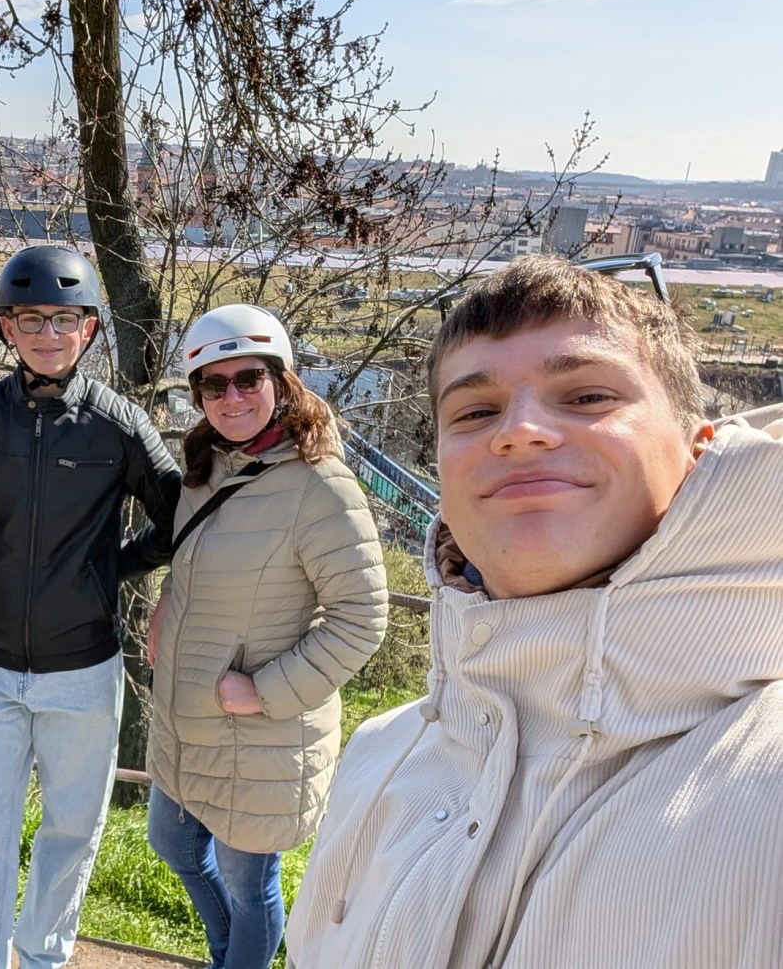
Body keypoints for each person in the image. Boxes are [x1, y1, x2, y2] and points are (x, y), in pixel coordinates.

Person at [286, 255, 783, 967]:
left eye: (585, 396)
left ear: (698, 449)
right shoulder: (378, 758)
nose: (518, 430)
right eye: (474, 411)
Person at [0, 244, 183, 969]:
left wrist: (109, 569)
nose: (47, 334)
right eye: (30, 318)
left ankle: (41, 958)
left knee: (72, 828)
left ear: (89, 328)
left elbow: (178, 516)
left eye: (64, 319)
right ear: (5, 326)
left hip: (84, 670)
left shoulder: (119, 423)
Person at [144, 304, 388, 969]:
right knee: (170, 842)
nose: (231, 397)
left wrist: (262, 691)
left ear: (279, 380)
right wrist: (167, 604)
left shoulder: (320, 485)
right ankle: (232, 954)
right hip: (189, 713)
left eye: (247, 378)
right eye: (212, 385)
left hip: (260, 729)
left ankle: (238, 957)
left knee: (250, 884)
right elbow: (198, 560)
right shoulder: (208, 467)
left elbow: (361, 617)